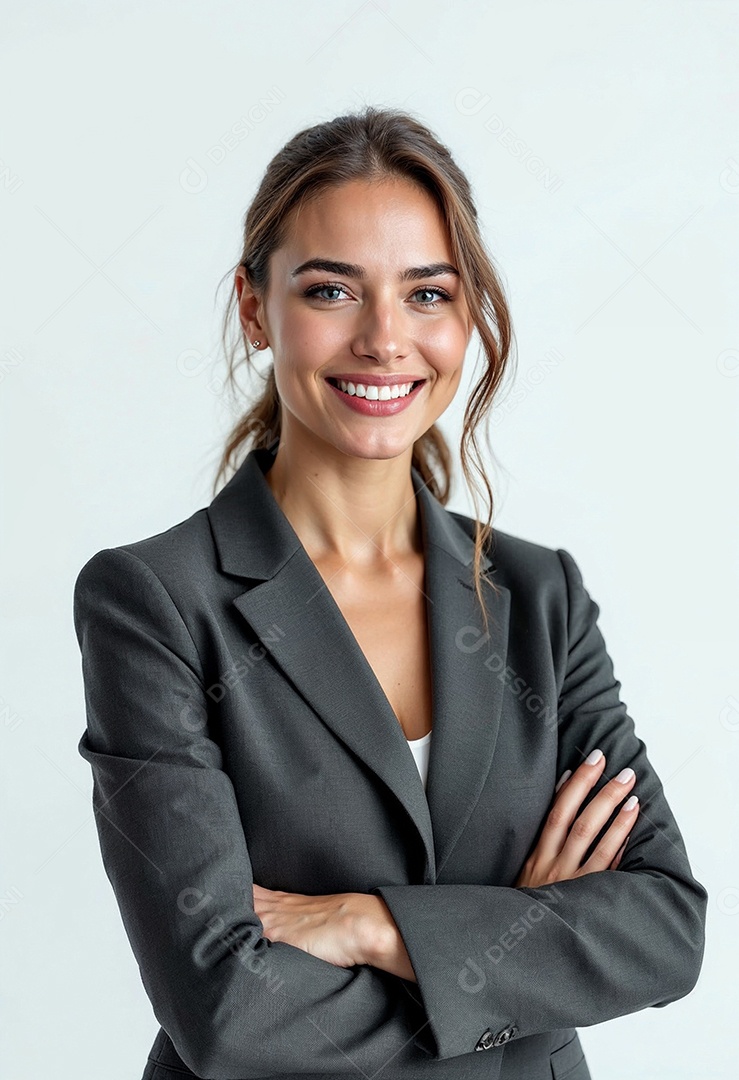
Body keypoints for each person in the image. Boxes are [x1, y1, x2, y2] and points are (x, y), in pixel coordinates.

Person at [73, 106, 707, 1080]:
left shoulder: (538, 595)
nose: (383, 339)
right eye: (331, 290)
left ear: (465, 318)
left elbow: (664, 929)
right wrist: (511, 958)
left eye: (426, 294)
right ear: (253, 307)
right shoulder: (155, 602)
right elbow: (226, 1014)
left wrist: (368, 927)